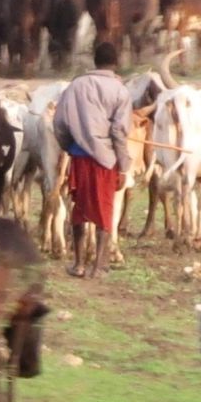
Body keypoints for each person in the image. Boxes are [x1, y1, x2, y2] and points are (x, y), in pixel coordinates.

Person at [52, 41, 132, 278]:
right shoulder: (120, 91)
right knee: (104, 210)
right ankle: (98, 266)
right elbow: (119, 131)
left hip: (78, 157)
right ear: (116, 62)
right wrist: (123, 166)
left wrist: (69, 146)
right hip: (105, 160)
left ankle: (78, 264)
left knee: (79, 209)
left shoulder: (75, 86)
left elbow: (59, 122)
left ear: (95, 61)